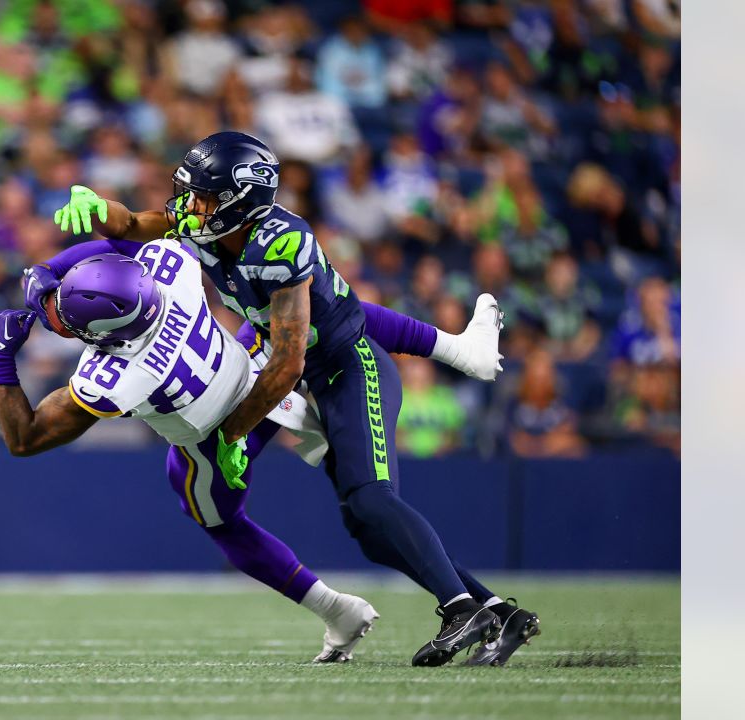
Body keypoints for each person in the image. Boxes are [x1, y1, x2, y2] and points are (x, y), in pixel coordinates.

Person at [41, 131, 539, 667]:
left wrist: (233, 433)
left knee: (370, 500)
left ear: (240, 202)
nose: (189, 206)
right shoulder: (202, 220)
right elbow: (133, 226)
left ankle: (461, 607)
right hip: (281, 360)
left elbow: (288, 363)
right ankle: (497, 611)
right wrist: (98, 208)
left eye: (204, 197)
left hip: (346, 369)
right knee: (368, 536)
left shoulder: (282, 245)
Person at [0, 233, 505, 663]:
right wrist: (49, 273)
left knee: (222, 522)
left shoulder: (119, 377)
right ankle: (453, 351)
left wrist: (2, 358)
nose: (55, 318)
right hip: (262, 378)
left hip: (217, 440)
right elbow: (116, 241)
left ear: (113, 337)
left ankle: (338, 611)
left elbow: (26, 438)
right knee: (309, 313)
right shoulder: (172, 273)